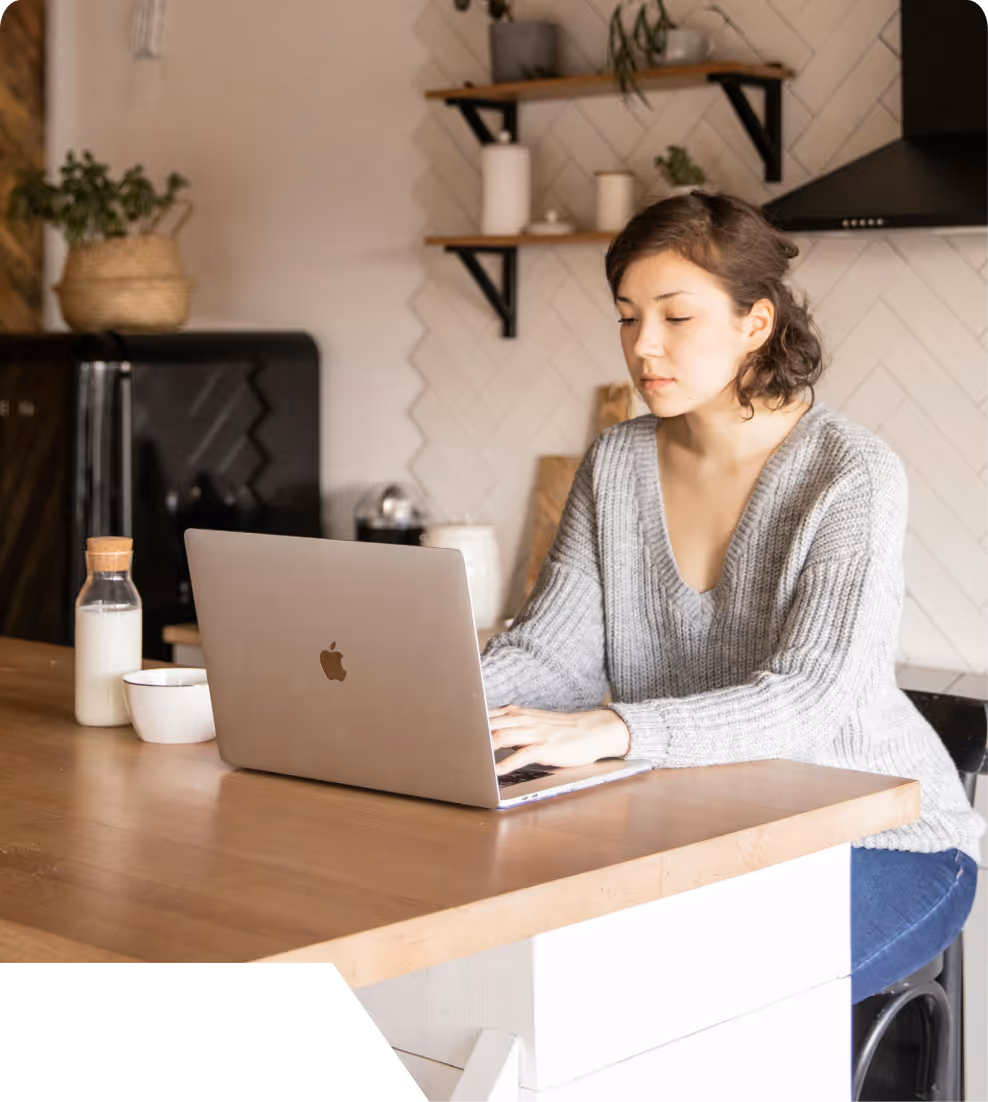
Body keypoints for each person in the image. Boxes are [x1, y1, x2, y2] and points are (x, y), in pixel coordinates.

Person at [479, 191, 984, 1003]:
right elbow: (551, 657)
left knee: (690, 998)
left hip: (885, 843)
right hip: (698, 832)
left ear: (756, 323)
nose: (644, 346)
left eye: (676, 317)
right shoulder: (616, 463)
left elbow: (808, 700)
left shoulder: (850, 474)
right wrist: (429, 702)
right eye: (626, 316)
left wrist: (616, 731)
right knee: (542, 972)